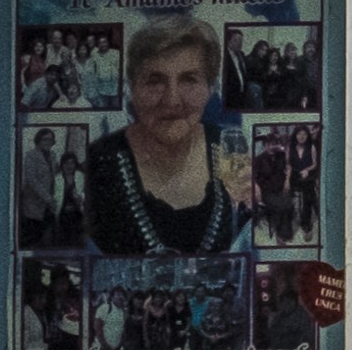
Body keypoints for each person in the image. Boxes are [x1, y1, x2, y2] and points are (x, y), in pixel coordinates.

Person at [84, 13, 253, 256]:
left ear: (210, 88)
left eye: (189, 80)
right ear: (132, 88)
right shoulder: (98, 162)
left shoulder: (232, 148)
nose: (172, 100)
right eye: (155, 81)